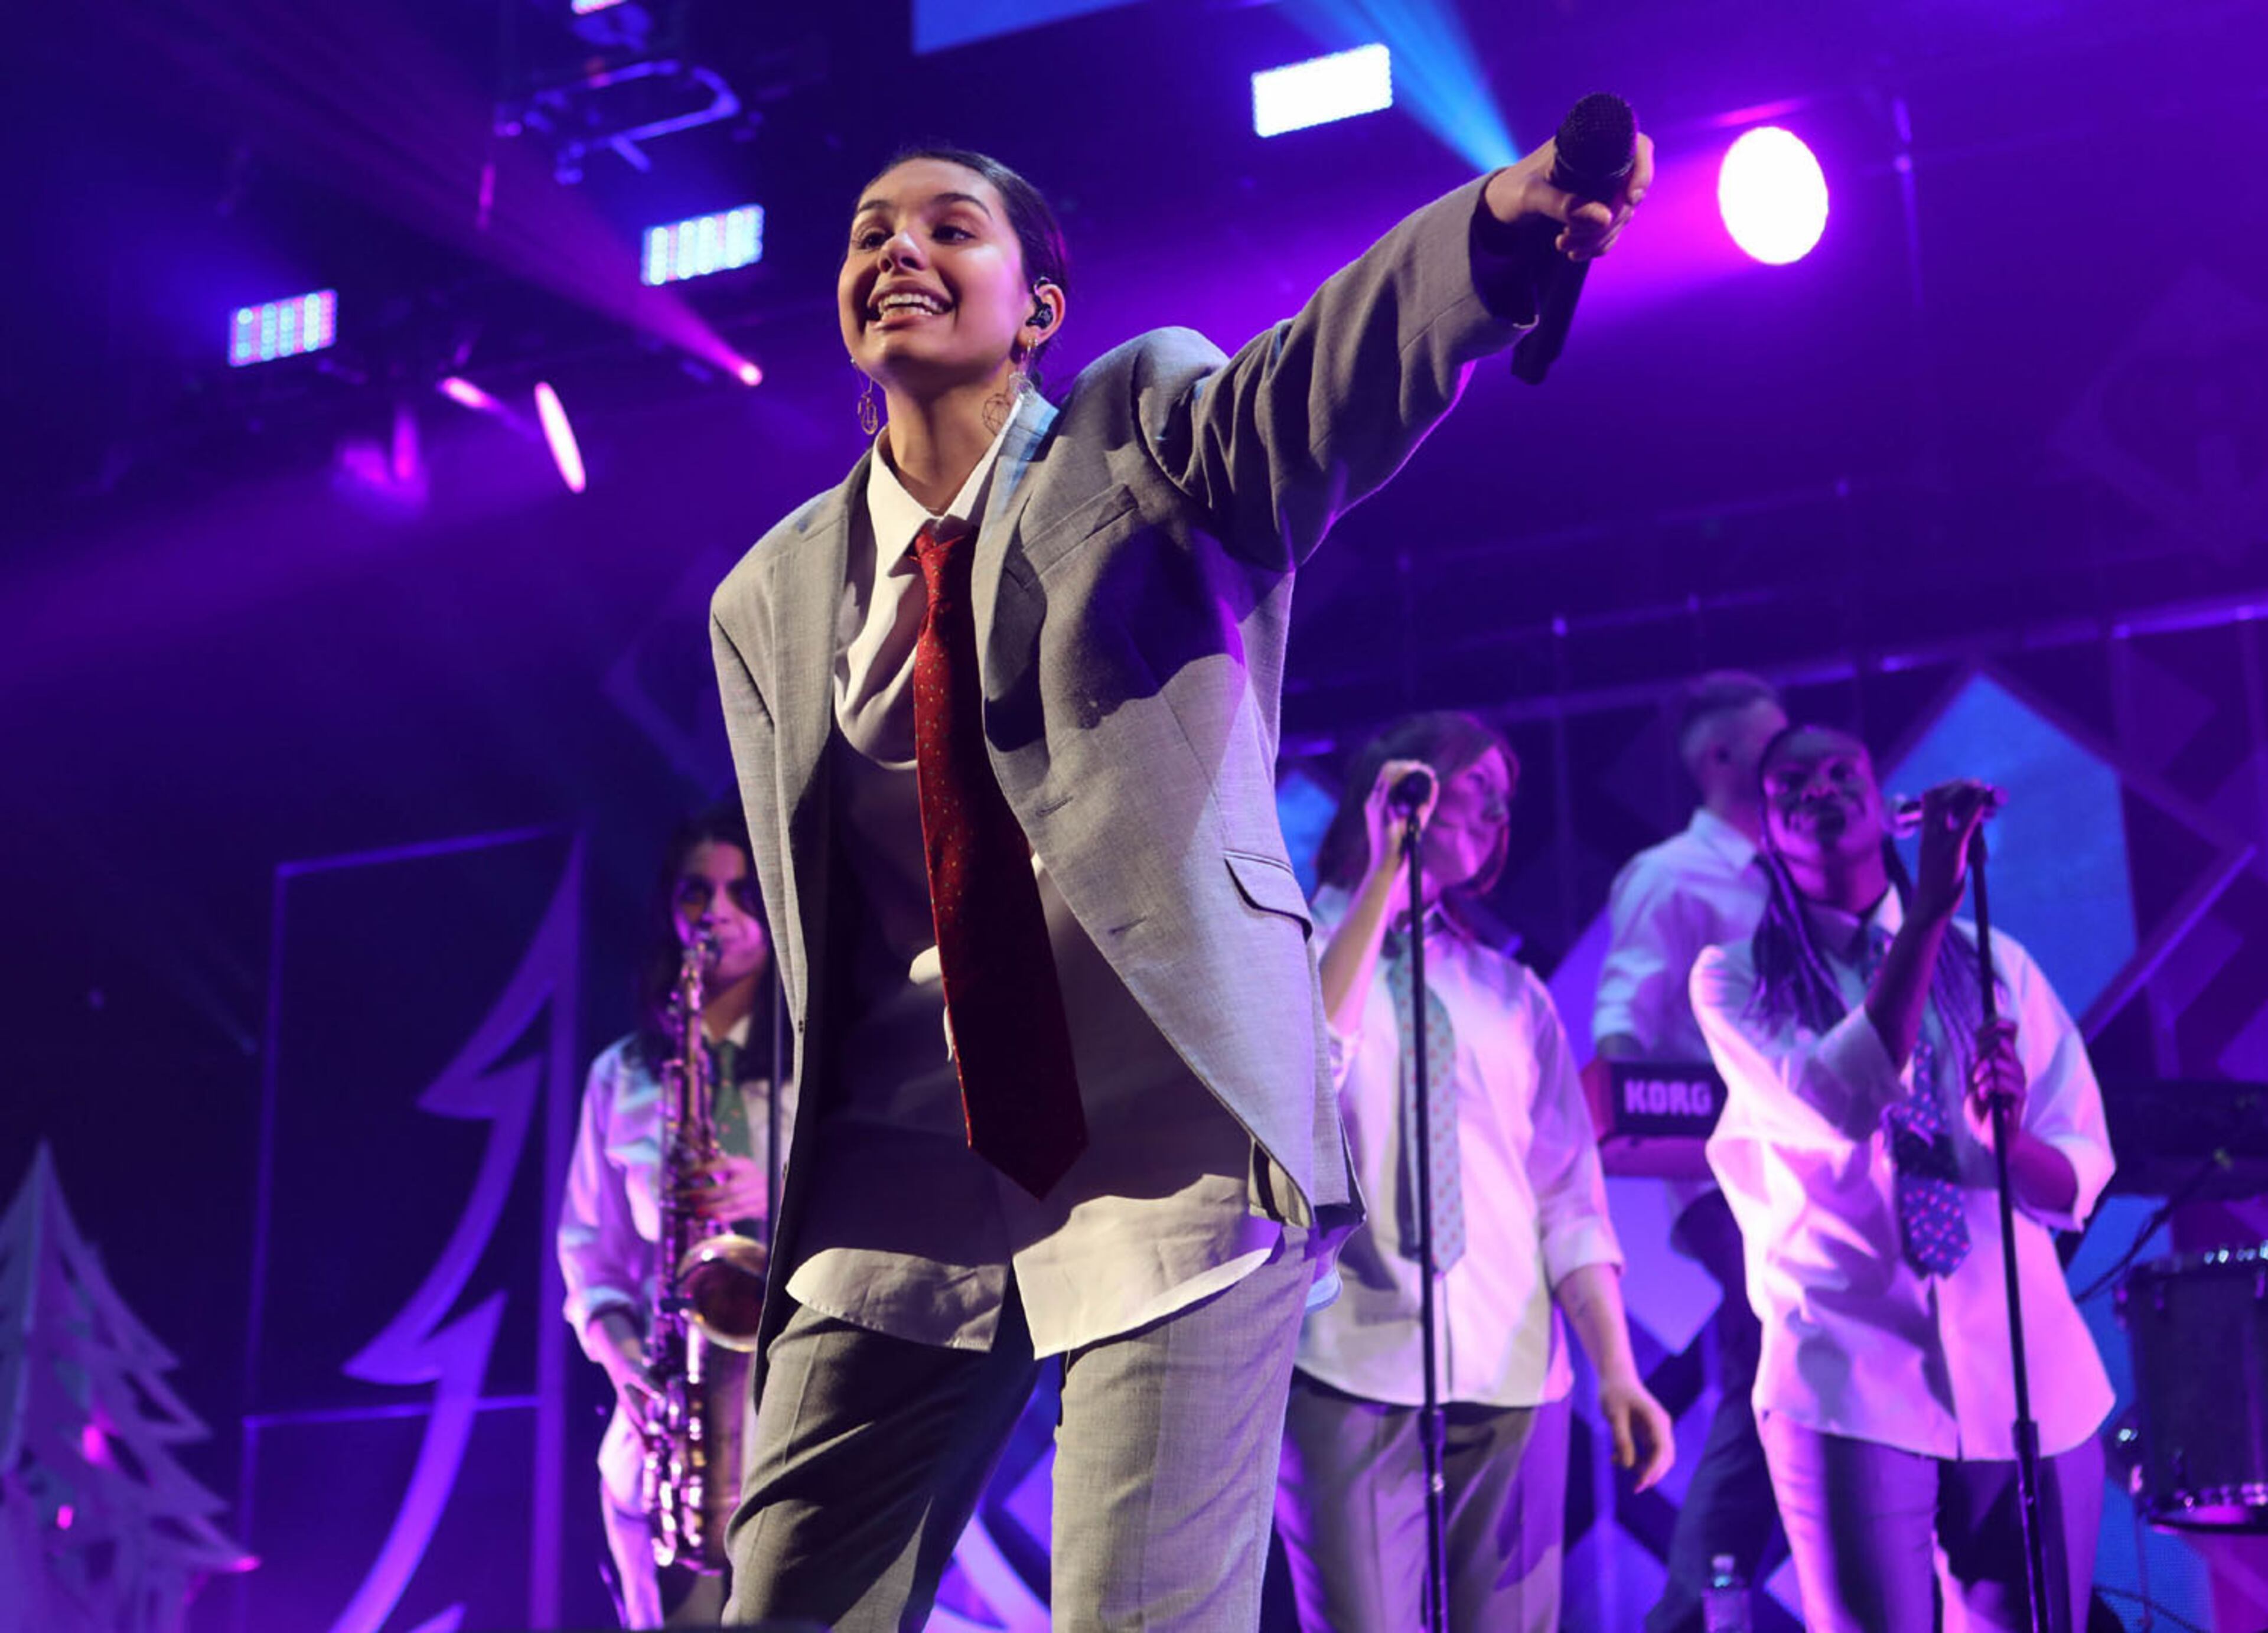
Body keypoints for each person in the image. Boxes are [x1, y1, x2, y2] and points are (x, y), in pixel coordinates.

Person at [708, 133, 1653, 1632]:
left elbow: (1317, 389)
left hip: (1174, 1156)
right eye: (868, 229)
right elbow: (836, 952)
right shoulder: (765, 601)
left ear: (1038, 310)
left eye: (951, 227)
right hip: (903, 1182)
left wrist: (1484, 238)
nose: (897, 248)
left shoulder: (1140, 433)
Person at [1693, 725, 2113, 1633]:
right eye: (1792, 783)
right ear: (1768, 831)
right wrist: (1923, 912)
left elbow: (2076, 1166)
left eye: (1846, 770)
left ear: (1884, 805)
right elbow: (1840, 1103)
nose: (1822, 789)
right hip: (1850, 1366)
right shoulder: (1734, 979)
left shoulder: (1996, 959)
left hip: (2026, 1366)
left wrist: (2005, 1148)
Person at [1274, 712, 1673, 1633]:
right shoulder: (1293, 947)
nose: (1498, 811)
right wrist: (1385, 870)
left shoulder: (1510, 991)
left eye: (1507, 797)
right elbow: (1310, 1061)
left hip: (1514, 1373)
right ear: (1402, 783)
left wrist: (1617, 1367)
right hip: (1346, 1366)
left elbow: (1570, 1199)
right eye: (1476, 785)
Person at [558, 806, 793, 1628]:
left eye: (740, 891)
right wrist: (627, 1369)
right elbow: (591, 1262)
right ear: (670, 906)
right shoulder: (621, 1077)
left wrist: (777, 1195)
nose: (719, 913)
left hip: (797, 1386)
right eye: (699, 891)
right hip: (668, 1409)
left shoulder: (820, 1061)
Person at [1591, 670, 1791, 1631]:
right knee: (1774, 1350)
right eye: (1773, 743)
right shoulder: (1671, 876)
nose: (1792, 760)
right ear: (1719, 758)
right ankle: (1694, 1600)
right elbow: (1624, 1027)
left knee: (1797, 1369)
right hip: (1726, 1176)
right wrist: (1656, 1132)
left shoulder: (1796, 873)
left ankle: (1722, 1583)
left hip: (1820, 1172)